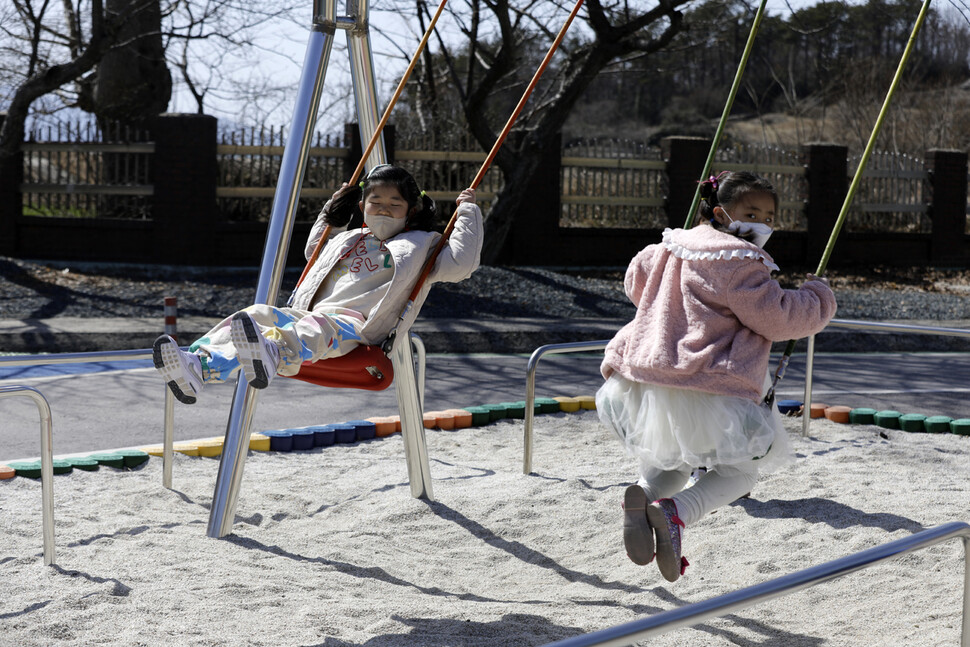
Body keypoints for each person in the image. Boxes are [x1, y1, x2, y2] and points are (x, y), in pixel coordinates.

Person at [596, 171, 837, 582]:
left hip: (647, 377)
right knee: (741, 472)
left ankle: (645, 494)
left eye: (770, 215)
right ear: (723, 213)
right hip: (707, 381)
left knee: (670, 459)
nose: (763, 222)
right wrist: (818, 297)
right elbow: (776, 318)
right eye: (752, 213)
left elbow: (637, 285)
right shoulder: (742, 261)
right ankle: (676, 512)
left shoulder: (668, 246)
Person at [152, 164, 483, 404]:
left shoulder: (423, 245)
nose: (383, 210)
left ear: (410, 211)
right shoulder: (351, 238)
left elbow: (461, 265)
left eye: (394, 205)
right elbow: (315, 253)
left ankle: (276, 351)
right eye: (375, 203)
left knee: (320, 325)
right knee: (256, 314)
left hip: (358, 330)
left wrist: (468, 211)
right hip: (310, 317)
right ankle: (199, 366)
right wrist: (331, 212)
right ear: (362, 207)